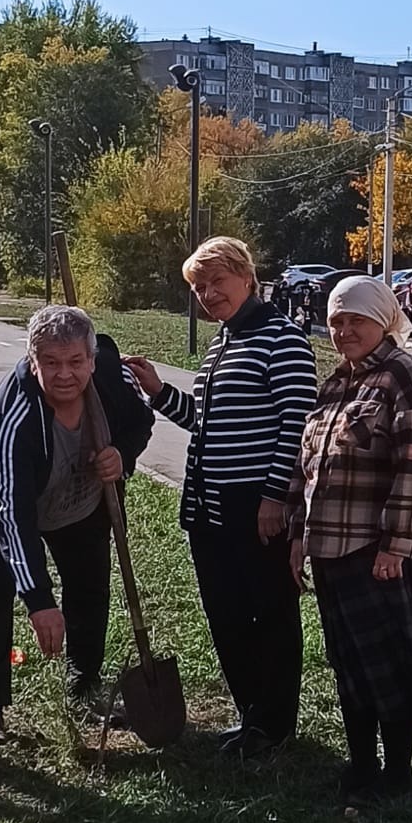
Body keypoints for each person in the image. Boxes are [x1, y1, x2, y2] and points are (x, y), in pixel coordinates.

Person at [126, 236, 317, 763]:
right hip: (209, 506)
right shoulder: (222, 343)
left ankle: (274, 724)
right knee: (227, 615)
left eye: (217, 282)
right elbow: (207, 424)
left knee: (270, 614)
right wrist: (159, 392)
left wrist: (275, 497)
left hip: (255, 506)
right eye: (198, 287)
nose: (208, 294)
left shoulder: (283, 338)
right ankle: (250, 715)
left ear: (247, 277)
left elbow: (296, 425)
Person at [288, 275, 412, 808]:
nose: (343, 330)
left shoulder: (403, 375)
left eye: (355, 319)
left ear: (382, 320)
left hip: (376, 554)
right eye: (336, 320)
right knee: (349, 663)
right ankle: (360, 768)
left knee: (388, 663)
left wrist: (396, 544)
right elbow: (306, 467)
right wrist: (297, 536)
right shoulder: (336, 383)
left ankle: (397, 776)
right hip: (330, 551)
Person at [0, 306, 154, 745]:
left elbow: (141, 422)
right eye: (50, 362)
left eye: (74, 362)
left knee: (89, 585)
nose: (64, 374)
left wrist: (122, 453)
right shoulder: (13, 422)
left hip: (80, 494)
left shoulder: (111, 377)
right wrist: (38, 600)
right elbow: (12, 515)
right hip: (2, 498)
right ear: (33, 361)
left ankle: (83, 686)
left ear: (90, 359)